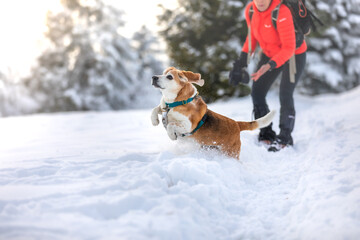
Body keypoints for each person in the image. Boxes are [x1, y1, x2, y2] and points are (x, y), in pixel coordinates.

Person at [229, 0, 307, 152]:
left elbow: (289, 47)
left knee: (285, 93)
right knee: (257, 92)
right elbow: (252, 36)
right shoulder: (250, 10)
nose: (261, 1)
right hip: (269, 53)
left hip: (293, 55)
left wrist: (269, 66)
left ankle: (285, 138)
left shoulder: (281, 11)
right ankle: (266, 132)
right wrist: (240, 63)